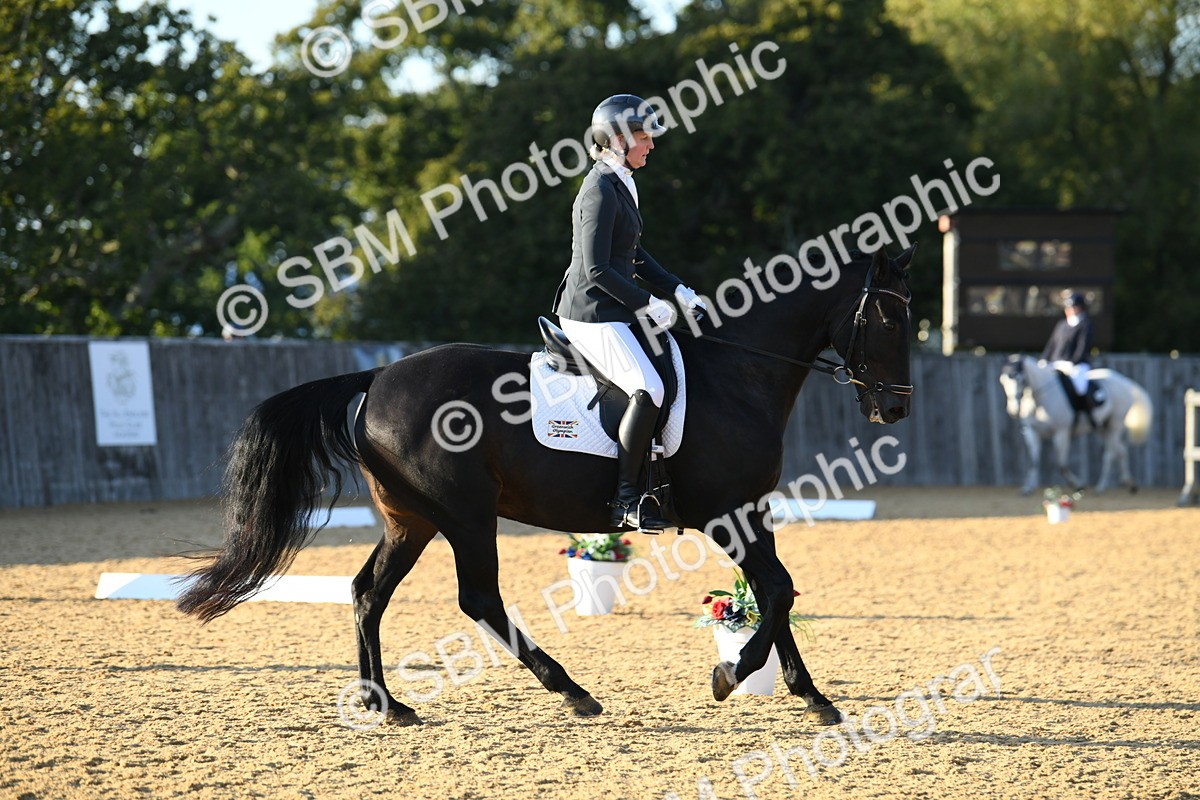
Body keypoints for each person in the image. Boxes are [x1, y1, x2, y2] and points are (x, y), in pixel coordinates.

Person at [551, 93, 707, 530]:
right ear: (617, 140)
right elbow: (597, 267)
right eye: (643, 137)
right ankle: (625, 499)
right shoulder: (599, 190)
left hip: (614, 307)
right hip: (590, 313)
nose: (651, 145)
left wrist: (678, 288)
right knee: (649, 388)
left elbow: (633, 254)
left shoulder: (621, 181)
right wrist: (648, 303)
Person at [1041, 290, 1101, 425]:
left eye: (1074, 307)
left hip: (1077, 365)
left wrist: (1073, 362)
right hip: (1057, 363)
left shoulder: (1085, 324)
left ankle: (1086, 415)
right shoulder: (1061, 325)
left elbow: (1083, 347)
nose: (1071, 310)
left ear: (1081, 308)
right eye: (1069, 307)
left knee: (1080, 387)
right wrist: (1044, 359)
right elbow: (1052, 345)